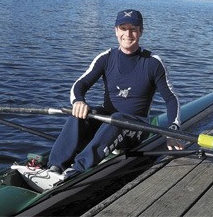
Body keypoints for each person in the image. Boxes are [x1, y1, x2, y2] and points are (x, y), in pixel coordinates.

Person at [47, 9, 184, 180]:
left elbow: (171, 99)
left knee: (118, 119)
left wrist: (172, 131)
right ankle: (55, 166)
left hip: (136, 128)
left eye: (133, 28)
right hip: (108, 120)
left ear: (141, 31)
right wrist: (79, 102)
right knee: (81, 114)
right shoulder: (106, 57)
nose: (128, 34)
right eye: (123, 28)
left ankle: (78, 170)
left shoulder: (153, 63)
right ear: (116, 31)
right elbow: (79, 85)